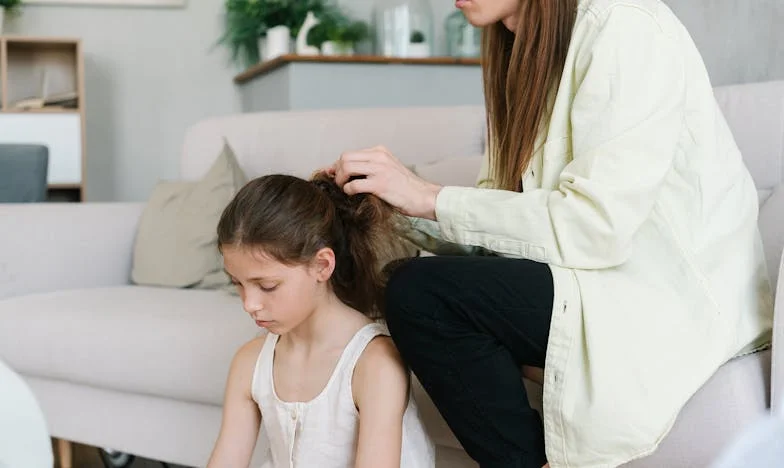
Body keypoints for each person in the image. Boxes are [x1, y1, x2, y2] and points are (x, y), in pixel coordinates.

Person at [324, 0, 774, 467]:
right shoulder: (517, 53)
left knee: (421, 294)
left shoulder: (628, 28)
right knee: (407, 279)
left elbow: (594, 227)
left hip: (661, 294)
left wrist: (429, 195)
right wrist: (388, 206)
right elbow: (502, 226)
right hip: (586, 276)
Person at [206, 173, 435, 468]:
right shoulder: (249, 363)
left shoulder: (373, 364)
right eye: (237, 283)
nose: (249, 304)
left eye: (267, 286)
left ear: (322, 265)